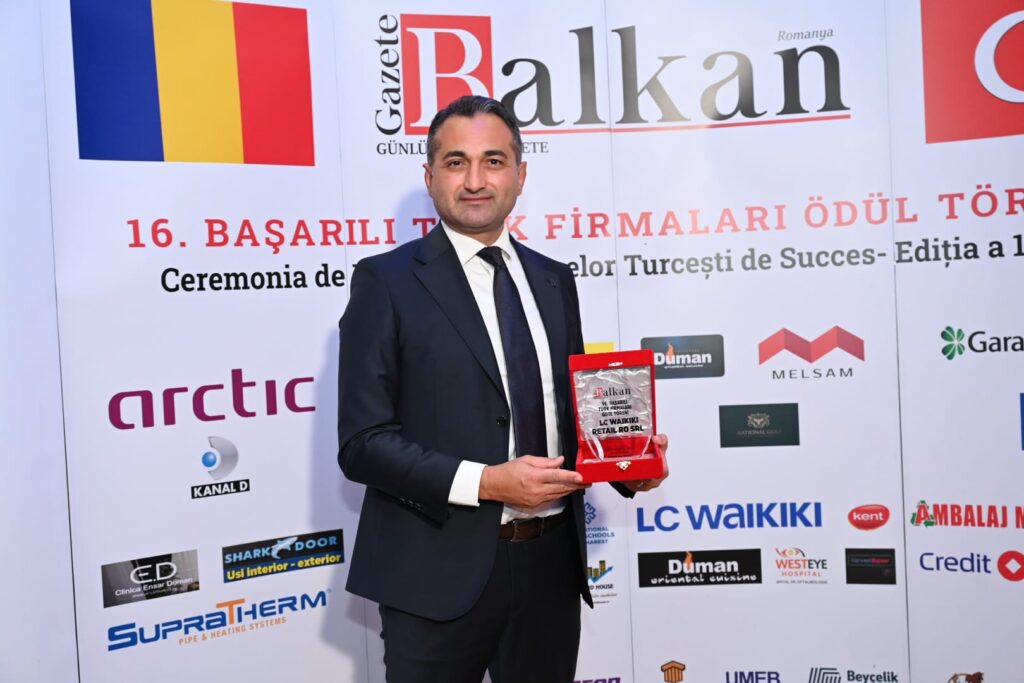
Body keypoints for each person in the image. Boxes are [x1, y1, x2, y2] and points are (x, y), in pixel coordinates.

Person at [337, 95, 668, 683]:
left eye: (493, 161)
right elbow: (362, 443)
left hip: (550, 567)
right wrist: (487, 482)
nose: (475, 181)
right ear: (430, 176)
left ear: (520, 175)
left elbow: (564, 412)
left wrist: (625, 463)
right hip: (433, 573)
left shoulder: (553, 278)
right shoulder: (384, 281)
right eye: (456, 162)